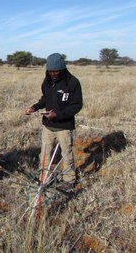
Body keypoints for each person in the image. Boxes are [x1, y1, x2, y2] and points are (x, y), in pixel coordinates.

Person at [25, 53, 83, 191]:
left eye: (56, 71)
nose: (54, 74)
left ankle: (69, 180)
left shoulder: (73, 83)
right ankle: (44, 177)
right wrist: (34, 107)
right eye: (51, 71)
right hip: (48, 126)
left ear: (63, 69)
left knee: (66, 153)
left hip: (64, 126)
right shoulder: (47, 81)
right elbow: (45, 99)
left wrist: (58, 115)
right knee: (45, 153)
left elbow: (77, 105)